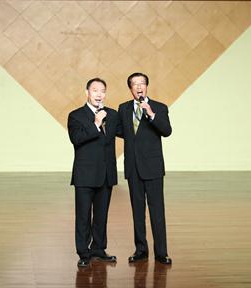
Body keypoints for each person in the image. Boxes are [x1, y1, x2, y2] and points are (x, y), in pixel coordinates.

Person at [118, 72, 173, 265]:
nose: (139, 87)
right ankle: (141, 250)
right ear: (130, 88)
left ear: (147, 86)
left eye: (142, 83)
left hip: (153, 167)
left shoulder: (159, 107)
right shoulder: (123, 108)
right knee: (137, 212)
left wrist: (151, 114)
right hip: (133, 167)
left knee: (157, 212)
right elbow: (122, 131)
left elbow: (167, 131)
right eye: (135, 84)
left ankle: (161, 252)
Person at [67, 78, 119, 268]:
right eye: (95, 90)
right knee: (83, 216)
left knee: (101, 216)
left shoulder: (112, 114)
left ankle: (98, 249)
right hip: (85, 174)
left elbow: (127, 133)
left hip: (106, 174)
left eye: (102, 91)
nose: (99, 94)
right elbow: (77, 139)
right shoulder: (76, 115)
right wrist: (96, 123)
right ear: (87, 92)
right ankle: (83, 252)